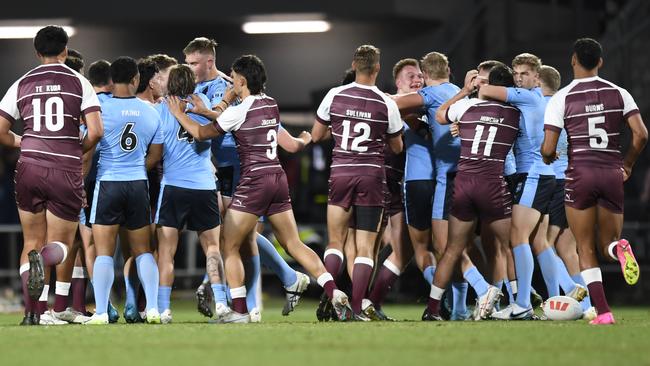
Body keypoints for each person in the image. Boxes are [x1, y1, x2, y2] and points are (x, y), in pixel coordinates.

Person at [168, 54, 351, 323]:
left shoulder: (238, 110)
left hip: (253, 181)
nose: (230, 83)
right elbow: (272, 136)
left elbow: (201, 134)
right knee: (293, 243)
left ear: (241, 80)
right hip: (277, 179)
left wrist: (178, 114)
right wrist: (302, 139)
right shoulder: (271, 104)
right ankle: (333, 291)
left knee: (228, 245)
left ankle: (240, 311)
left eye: (233, 78)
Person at [0, 25, 103, 326]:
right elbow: (96, 131)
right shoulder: (78, 81)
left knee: (30, 239)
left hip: (28, 166)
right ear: (65, 51)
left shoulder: (22, 82)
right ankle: (43, 266)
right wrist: (74, 149)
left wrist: (23, 142)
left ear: (36, 52)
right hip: (64, 168)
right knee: (61, 244)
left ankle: (34, 312)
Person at [541, 38, 647, 325]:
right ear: (600, 61)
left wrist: (548, 156)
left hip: (580, 174)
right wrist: (627, 163)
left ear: (574, 61)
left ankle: (604, 313)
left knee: (584, 248)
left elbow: (549, 149)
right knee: (608, 244)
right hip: (612, 171)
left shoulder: (561, 97)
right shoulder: (619, 93)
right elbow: (641, 135)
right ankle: (619, 249)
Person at [312, 45, 403, 320]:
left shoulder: (335, 94)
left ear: (354, 65)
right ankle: (355, 307)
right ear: (377, 69)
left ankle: (329, 297)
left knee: (335, 241)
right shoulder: (386, 102)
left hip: (340, 172)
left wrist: (340, 128)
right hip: (372, 176)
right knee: (365, 247)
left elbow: (316, 135)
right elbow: (397, 147)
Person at [422, 65, 520, 320]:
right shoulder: (516, 111)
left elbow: (441, 115)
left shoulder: (466, 108)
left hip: (464, 183)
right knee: (510, 246)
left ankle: (432, 309)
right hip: (492, 183)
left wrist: (463, 94)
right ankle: (516, 305)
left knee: (452, 249)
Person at [84, 56, 163, 325]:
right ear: (136, 79)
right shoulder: (151, 111)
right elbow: (156, 153)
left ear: (110, 80)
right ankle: (152, 308)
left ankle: (102, 313)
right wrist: (137, 167)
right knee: (143, 250)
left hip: (108, 182)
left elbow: (87, 141)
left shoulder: (100, 108)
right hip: (138, 184)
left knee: (104, 252)